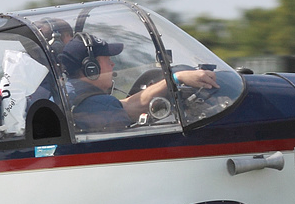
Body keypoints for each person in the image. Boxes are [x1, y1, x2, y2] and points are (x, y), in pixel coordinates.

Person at [55, 31, 218, 133]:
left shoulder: (69, 93)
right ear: (92, 68)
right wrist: (177, 78)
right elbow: (125, 109)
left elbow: (125, 104)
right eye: (107, 60)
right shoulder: (100, 105)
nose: (112, 64)